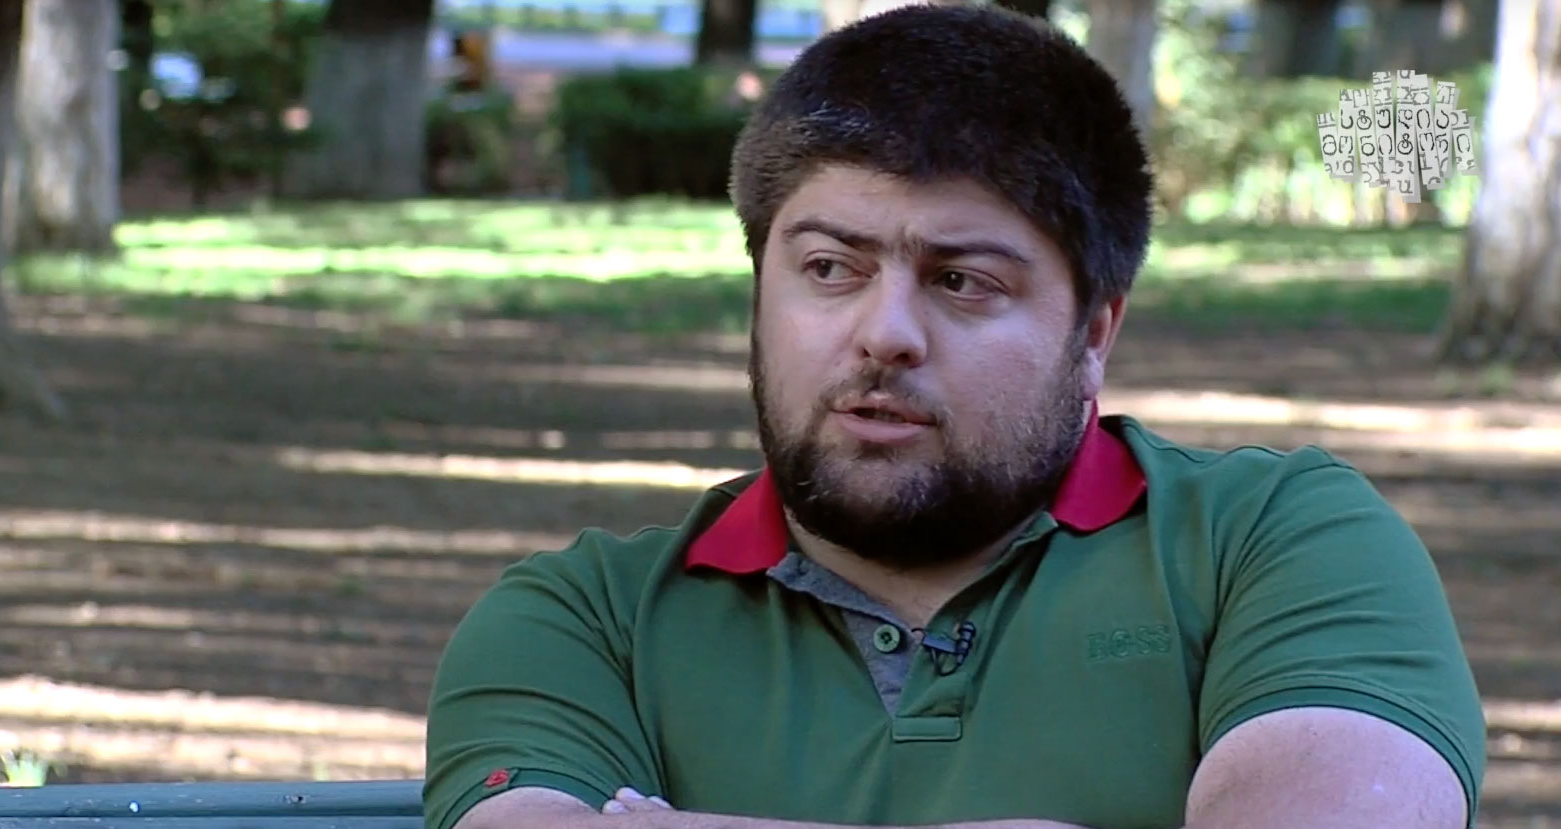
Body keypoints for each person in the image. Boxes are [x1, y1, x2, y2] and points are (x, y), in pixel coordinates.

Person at [421, 5, 1487, 828]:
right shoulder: (585, 619)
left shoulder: (1274, 542)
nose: (884, 333)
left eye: (963, 280)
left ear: (1094, 330)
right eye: (829, 268)